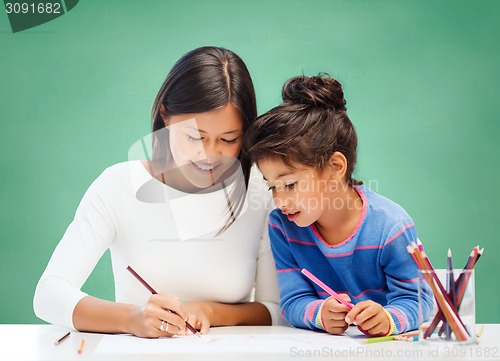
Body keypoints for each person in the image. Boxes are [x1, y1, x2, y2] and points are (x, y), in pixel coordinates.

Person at [33, 46, 283, 338]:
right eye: (194, 137)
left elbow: (275, 309)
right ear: (165, 116)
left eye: (228, 140)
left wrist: (210, 311)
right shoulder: (118, 185)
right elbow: (48, 295)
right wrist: (132, 318)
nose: (210, 155)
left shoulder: (260, 189)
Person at [244, 74, 433, 337]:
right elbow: (292, 301)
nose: (280, 201)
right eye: (271, 186)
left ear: (335, 167)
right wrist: (320, 314)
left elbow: (420, 302)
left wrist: (388, 319)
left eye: (289, 185)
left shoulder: (391, 227)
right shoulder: (283, 226)